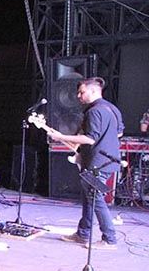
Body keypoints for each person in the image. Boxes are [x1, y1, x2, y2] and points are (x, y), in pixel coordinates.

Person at [46, 77, 124, 249]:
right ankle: (83, 233)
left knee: (95, 198)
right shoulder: (112, 109)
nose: (78, 96)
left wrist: (60, 137)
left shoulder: (94, 112)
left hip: (97, 162)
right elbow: (118, 133)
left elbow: (89, 139)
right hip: (106, 159)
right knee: (89, 198)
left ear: (94, 91)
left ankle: (109, 239)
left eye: (82, 92)